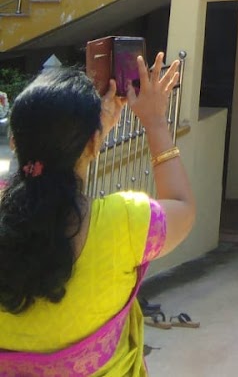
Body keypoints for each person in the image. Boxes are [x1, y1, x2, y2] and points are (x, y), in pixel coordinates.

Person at [0, 53, 195, 374]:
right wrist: (155, 122)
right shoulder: (125, 223)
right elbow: (182, 206)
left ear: (14, 142)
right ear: (94, 143)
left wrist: (90, 136)